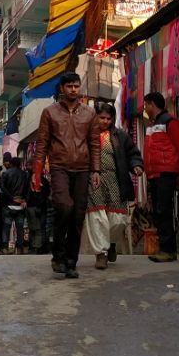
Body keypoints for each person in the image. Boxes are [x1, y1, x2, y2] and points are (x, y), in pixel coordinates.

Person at [29, 72, 102, 279]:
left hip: (83, 169)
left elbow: (95, 143)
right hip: (59, 167)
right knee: (64, 207)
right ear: (62, 88)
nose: (73, 90)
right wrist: (36, 172)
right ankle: (58, 256)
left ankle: (71, 261)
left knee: (78, 216)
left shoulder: (89, 114)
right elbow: (41, 144)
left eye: (76, 86)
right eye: (69, 86)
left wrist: (96, 170)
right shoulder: (49, 113)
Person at [85, 103, 143, 270]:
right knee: (97, 217)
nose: (104, 121)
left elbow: (133, 153)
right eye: (101, 117)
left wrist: (137, 165)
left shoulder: (121, 136)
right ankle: (101, 254)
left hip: (115, 180)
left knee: (118, 219)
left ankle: (110, 243)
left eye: (108, 118)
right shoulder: (86, 135)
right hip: (93, 180)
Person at [140, 92, 179, 263]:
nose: (145, 108)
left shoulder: (170, 121)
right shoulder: (153, 125)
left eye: (146, 105)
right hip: (155, 173)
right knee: (159, 211)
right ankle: (166, 249)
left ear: (152, 104)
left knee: (163, 210)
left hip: (166, 173)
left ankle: (168, 250)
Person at [0, 157, 28, 253]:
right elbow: (28, 189)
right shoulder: (25, 174)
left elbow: (2, 187)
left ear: (11, 164)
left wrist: (11, 197)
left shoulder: (6, 173)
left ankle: (5, 248)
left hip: (8, 205)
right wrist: (24, 200)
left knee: (6, 227)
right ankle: (19, 248)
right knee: (20, 228)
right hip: (20, 204)